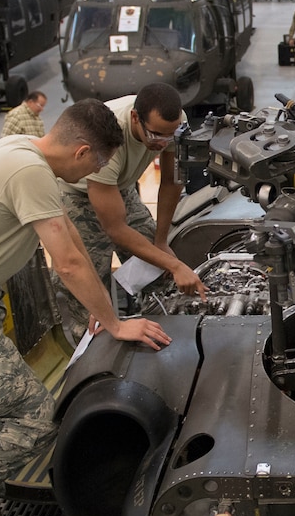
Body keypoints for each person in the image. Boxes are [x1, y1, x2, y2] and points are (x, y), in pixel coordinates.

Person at [0, 99, 173, 516]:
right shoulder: (29, 172)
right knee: (34, 419)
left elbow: (72, 238)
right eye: (94, 166)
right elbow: (65, 261)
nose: (90, 177)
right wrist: (117, 325)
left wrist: (99, 308)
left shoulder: (26, 150)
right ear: (82, 152)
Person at [55, 82, 206, 343]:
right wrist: (176, 264)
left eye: (169, 137)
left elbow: (171, 182)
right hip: (78, 193)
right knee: (90, 283)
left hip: (120, 187)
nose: (163, 143)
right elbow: (115, 229)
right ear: (135, 118)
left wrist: (161, 242)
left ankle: (161, 329)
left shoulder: (173, 125)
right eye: (156, 135)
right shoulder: (106, 135)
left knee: (156, 266)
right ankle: (92, 352)